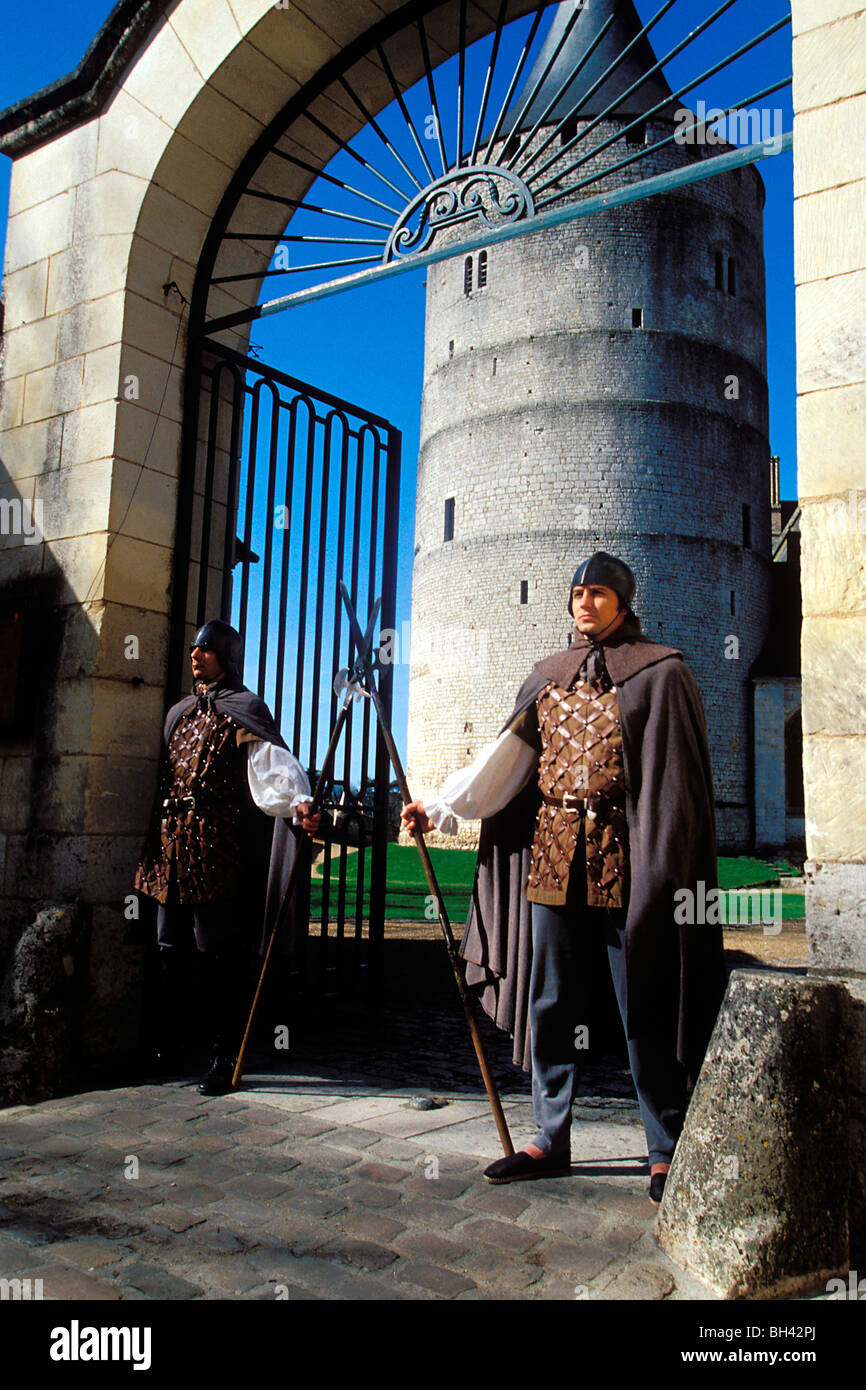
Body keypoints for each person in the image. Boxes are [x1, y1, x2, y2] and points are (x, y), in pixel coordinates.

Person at [401, 553, 725, 1203]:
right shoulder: (549, 677)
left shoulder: (662, 674)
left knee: (644, 1003)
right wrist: (437, 806)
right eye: (577, 592)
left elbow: (679, 790)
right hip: (553, 859)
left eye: (598, 592)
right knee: (549, 1001)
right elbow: (505, 762)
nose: (585, 602)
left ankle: (663, 1145)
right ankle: (550, 1137)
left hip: (631, 863)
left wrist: (666, 868)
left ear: (623, 601)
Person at [135, 619, 319, 1095]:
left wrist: (298, 801)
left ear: (224, 655)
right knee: (167, 947)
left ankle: (224, 1054)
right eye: (193, 649)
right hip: (169, 844)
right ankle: (171, 1045)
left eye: (205, 650)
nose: (195, 655)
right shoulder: (178, 712)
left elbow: (269, 765)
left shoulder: (243, 709)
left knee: (214, 952)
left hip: (215, 847)